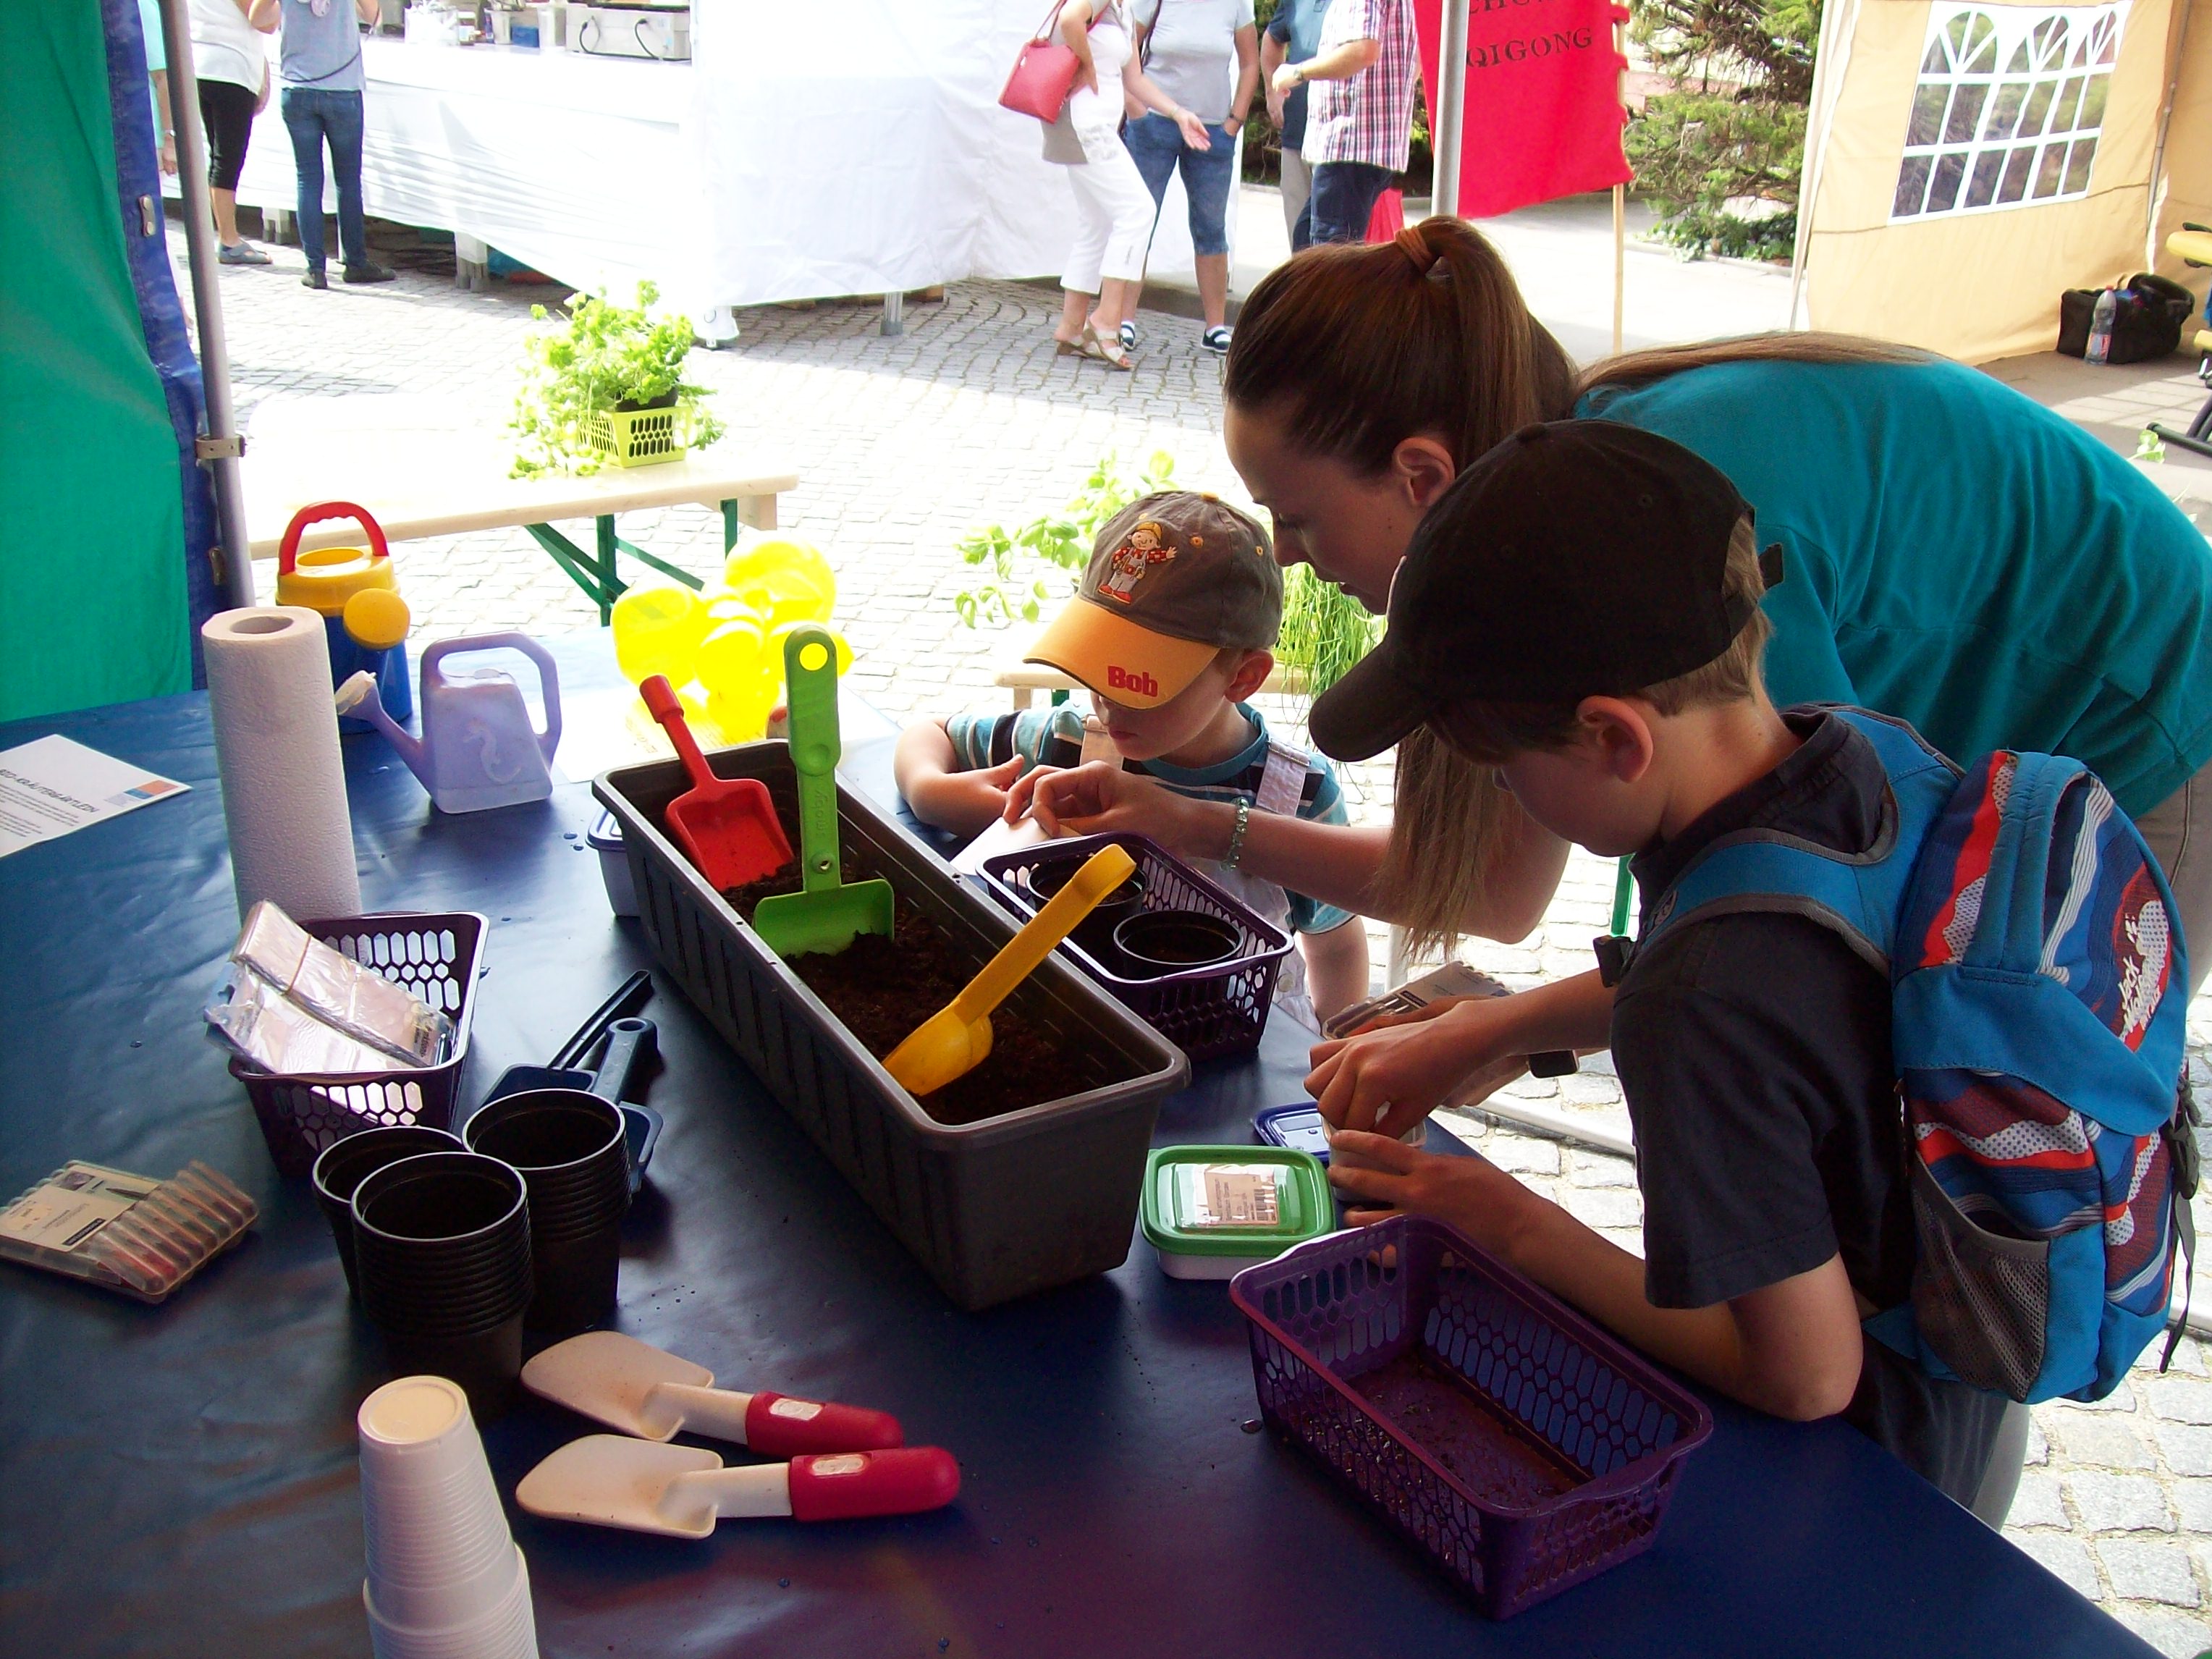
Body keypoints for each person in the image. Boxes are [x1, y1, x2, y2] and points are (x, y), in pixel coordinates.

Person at [1011, 215, 2212, 1087]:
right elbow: (1495, 892)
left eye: (1301, 517)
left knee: (1965, 1145)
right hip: (1985, 734)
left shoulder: (1672, 530)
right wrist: (1183, 819)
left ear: (1422, 476)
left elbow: (1805, 929)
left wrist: (1503, 1030)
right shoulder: (1544, 534)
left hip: (2144, 722)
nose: (1289, 554)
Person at [1304, 417, 2016, 1511]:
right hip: (1968, 1375)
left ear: (1614, 739)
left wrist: (1505, 1222)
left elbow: (1803, 1374)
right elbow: (1781, 959)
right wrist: (1492, 1027)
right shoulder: (1857, 755)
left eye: (1502, 773)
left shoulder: (1699, 1003)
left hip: (1863, 1480)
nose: (1504, 795)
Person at [895, 491, 1372, 1027]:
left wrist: (1337, 1036)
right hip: (1079, 1023)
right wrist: (930, 790)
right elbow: (930, 732)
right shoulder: (1070, 741)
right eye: (1098, 666)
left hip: (1237, 1042)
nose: (1107, 701)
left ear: (1243, 677)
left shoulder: (1300, 797)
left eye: (1142, 683)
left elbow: (1336, 944)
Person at [1045, 0, 1212, 369]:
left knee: (1096, 223)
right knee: (1138, 211)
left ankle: (1071, 326)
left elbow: (1134, 80)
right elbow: (1070, 19)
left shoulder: (1124, 9)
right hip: (1086, 125)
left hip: (1092, 126)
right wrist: (1087, 64)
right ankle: (1106, 322)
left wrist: (1178, 114)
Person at [1123, 0, 1258, 356]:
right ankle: (1123, 319)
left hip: (1212, 131)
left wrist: (1234, 122)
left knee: (1211, 227)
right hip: (1155, 124)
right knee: (1139, 220)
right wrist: (1137, 112)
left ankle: (1215, 327)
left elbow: (1250, 62)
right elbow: (1125, 56)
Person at [1271, 0, 1417, 248]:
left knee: (1327, 257)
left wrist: (1297, 73)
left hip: (1350, 143)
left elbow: (1364, 50)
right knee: (1307, 246)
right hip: (1362, 144)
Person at [276, 0, 392, 290]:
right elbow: (375, 16)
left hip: (297, 86)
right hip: (342, 88)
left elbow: (258, 19)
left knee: (308, 179)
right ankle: (355, 262)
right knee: (348, 181)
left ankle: (315, 268)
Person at [190, 0, 281, 263]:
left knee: (219, 156)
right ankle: (228, 239)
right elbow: (262, 19)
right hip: (232, 67)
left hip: (203, 63)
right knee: (228, 160)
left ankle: (225, 235)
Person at [1261, 0, 1331, 242]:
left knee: (1334, 241)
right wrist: (1272, 92)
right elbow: (1272, 38)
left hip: (1339, 140)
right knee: (1299, 239)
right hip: (1297, 135)